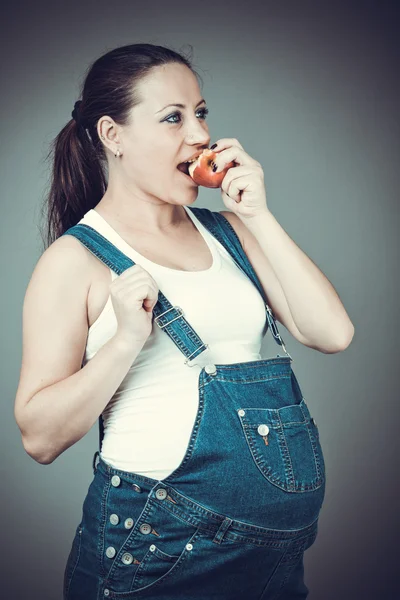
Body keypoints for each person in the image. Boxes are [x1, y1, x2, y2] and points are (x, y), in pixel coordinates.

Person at [14, 43, 354, 599]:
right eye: (173, 117)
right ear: (112, 135)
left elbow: (332, 333)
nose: (199, 135)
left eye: (200, 113)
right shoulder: (75, 260)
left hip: (273, 559)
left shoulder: (230, 233)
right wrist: (124, 342)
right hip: (155, 554)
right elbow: (39, 436)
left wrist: (258, 215)